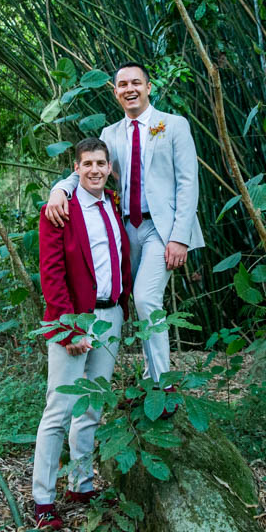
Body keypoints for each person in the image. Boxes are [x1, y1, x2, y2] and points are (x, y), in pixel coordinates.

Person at [44, 62, 203, 385]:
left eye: (136, 83)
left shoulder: (173, 125)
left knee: (146, 298)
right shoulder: (110, 134)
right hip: (125, 228)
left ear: (148, 87)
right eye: (122, 85)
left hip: (162, 228)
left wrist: (180, 237)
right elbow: (90, 171)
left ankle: (163, 382)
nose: (129, 89)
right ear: (115, 92)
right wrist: (59, 189)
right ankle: (149, 371)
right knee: (130, 298)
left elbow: (189, 182)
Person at [32, 137, 132, 530]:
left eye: (101, 163)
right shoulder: (60, 210)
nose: (94, 169)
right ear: (76, 168)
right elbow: (52, 275)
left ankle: (81, 483)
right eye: (87, 163)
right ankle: (43, 499)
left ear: (109, 168)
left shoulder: (113, 204)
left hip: (111, 317)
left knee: (92, 407)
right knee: (58, 410)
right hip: (76, 320)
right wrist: (69, 327)